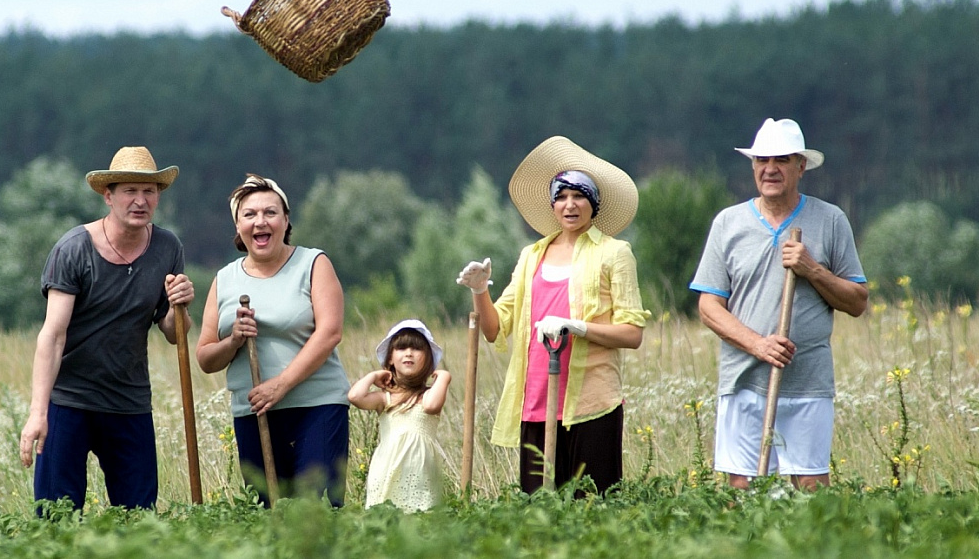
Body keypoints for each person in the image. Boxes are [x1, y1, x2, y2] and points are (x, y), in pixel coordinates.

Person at [457, 136, 651, 494]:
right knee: (539, 512)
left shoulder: (614, 253)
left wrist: (578, 327)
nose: (569, 205)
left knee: (593, 504)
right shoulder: (532, 255)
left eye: (579, 195)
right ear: (552, 205)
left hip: (592, 404)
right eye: (561, 196)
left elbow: (632, 333)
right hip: (537, 400)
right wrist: (480, 291)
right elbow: (494, 328)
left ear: (593, 203)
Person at [690, 118, 868, 491]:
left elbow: (857, 301)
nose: (770, 169)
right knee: (741, 486)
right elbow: (709, 306)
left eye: (782, 160)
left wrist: (812, 270)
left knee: (810, 484)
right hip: (743, 378)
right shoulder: (728, 223)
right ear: (753, 166)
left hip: (808, 381)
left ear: (800, 167)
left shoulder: (830, 220)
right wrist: (759, 344)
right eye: (762, 160)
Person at [18, 146, 195, 511]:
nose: (140, 200)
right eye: (130, 191)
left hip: (129, 402)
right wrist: (38, 412)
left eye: (149, 191)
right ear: (108, 196)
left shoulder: (167, 247)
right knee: (56, 519)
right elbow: (53, 335)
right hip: (70, 401)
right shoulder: (74, 249)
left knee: (139, 520)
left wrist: (181, 305)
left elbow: (173, 331)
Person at [195, 173, 350, 506]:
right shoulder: (225, 279)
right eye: (249, 215)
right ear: (238, 227)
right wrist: (234, 340)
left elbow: (329, 333)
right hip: (253, 412)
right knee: (265, 511)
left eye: (270, 212)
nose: (259, 222)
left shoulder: (312, 263)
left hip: (317, 406)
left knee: (316, 509)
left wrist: (280, 385)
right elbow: (206, 357)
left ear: (286, 220)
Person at [348, 319, 452, 511]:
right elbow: (355, 396)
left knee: (421, 520)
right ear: (390, 358)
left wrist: (444, 378)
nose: (409, 353)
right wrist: (373, 376)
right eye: (401, 348)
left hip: (421, 475)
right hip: (387, 471)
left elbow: (431, 406)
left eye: (417, 349)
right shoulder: (386, 398)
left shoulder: (428, 395)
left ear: (428, 359)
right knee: (385, 519)